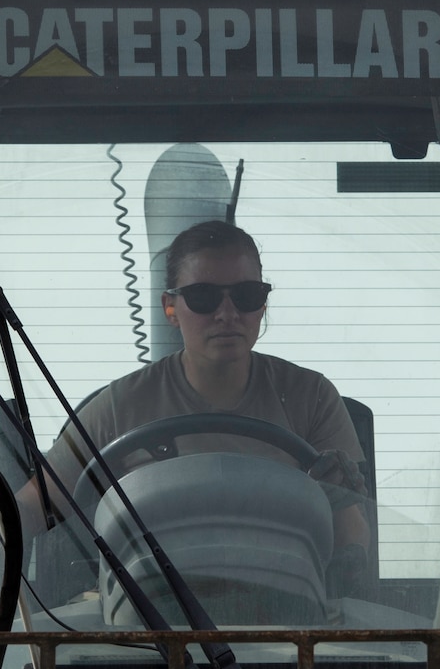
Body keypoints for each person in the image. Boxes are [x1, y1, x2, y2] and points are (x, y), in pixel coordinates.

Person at [34, 220, 372, 554]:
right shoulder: (119, 406)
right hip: (149, 605)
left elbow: (352, 544)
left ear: (263, 303)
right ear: (170, 308)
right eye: (203, 297)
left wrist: (338, 497)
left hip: (287, 603)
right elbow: (30, 507)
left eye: (246, 295)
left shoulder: (311, 397)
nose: (227, 313)